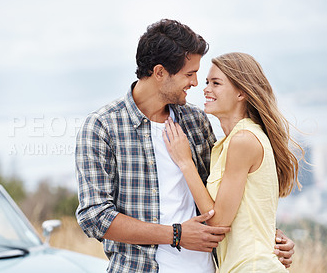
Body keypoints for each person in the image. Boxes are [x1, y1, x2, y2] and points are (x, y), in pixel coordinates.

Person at [75, 19, 295, 273]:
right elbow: (95, 217)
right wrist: (175, 235)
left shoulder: (195, 121)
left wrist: (269, 237)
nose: (195, 83)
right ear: (160, 73)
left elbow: (226, 199)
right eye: (189, 74)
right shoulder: (103, 127)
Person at [163, 52, 302, 272]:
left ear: (241, 93)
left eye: (216, 83)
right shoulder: (227, 144)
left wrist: (185, 162)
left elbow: (218, 224)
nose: (206, 88)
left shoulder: (243, 140)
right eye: (207, 82)